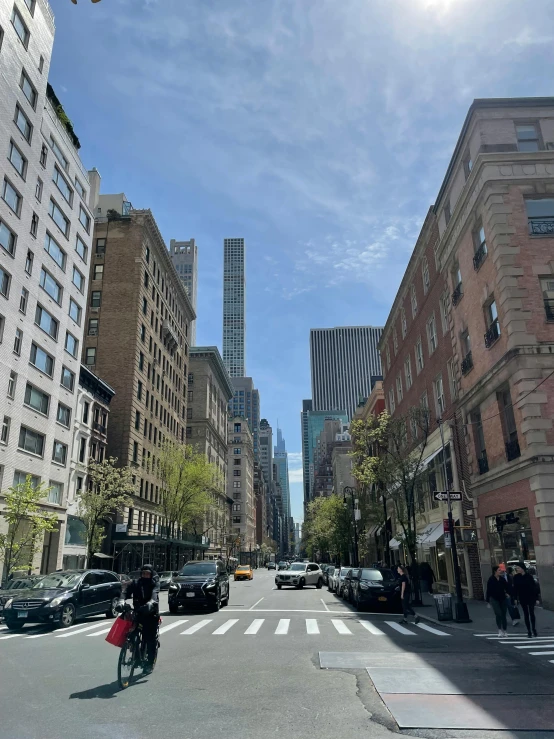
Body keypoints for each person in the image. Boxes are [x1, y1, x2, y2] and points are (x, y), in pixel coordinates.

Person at [117, 564, 160, 674]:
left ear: (151, 574)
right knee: (132, 635)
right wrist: (121, 601)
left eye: (147, 574)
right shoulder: (136, 583)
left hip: (151, 615)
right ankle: (136, 657)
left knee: (150, 639)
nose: (145, 575)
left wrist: (151, 603)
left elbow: (155, 595)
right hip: (138, 614)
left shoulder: (154, 584)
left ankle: (149, 663)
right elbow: (125, 592)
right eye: (143, 573)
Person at [513, 561, 539, 638]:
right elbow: (515, 589)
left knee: (531, 613)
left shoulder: (529, 576)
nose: (517, 569)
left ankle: (534, 629)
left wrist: (536, 598)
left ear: (522, 569)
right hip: (522, 597)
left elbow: (534, 587)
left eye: (518, 568)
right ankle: (529, 631)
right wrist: (515, 598)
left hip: (531, 597)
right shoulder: (516, 577)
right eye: (516, 568)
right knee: (526, 614)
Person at [486, 564, 510, 637]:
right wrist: (488, 601)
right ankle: (499, 629)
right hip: (494, 599)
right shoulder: (491, 579)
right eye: (499, 570)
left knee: (503, 614)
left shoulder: (502, 579)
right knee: (498, 613)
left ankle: (505, 630)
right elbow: (488, 590)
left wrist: (508, 593)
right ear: (495, 571)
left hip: (503, 598)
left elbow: (507, 587)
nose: (500, 571)